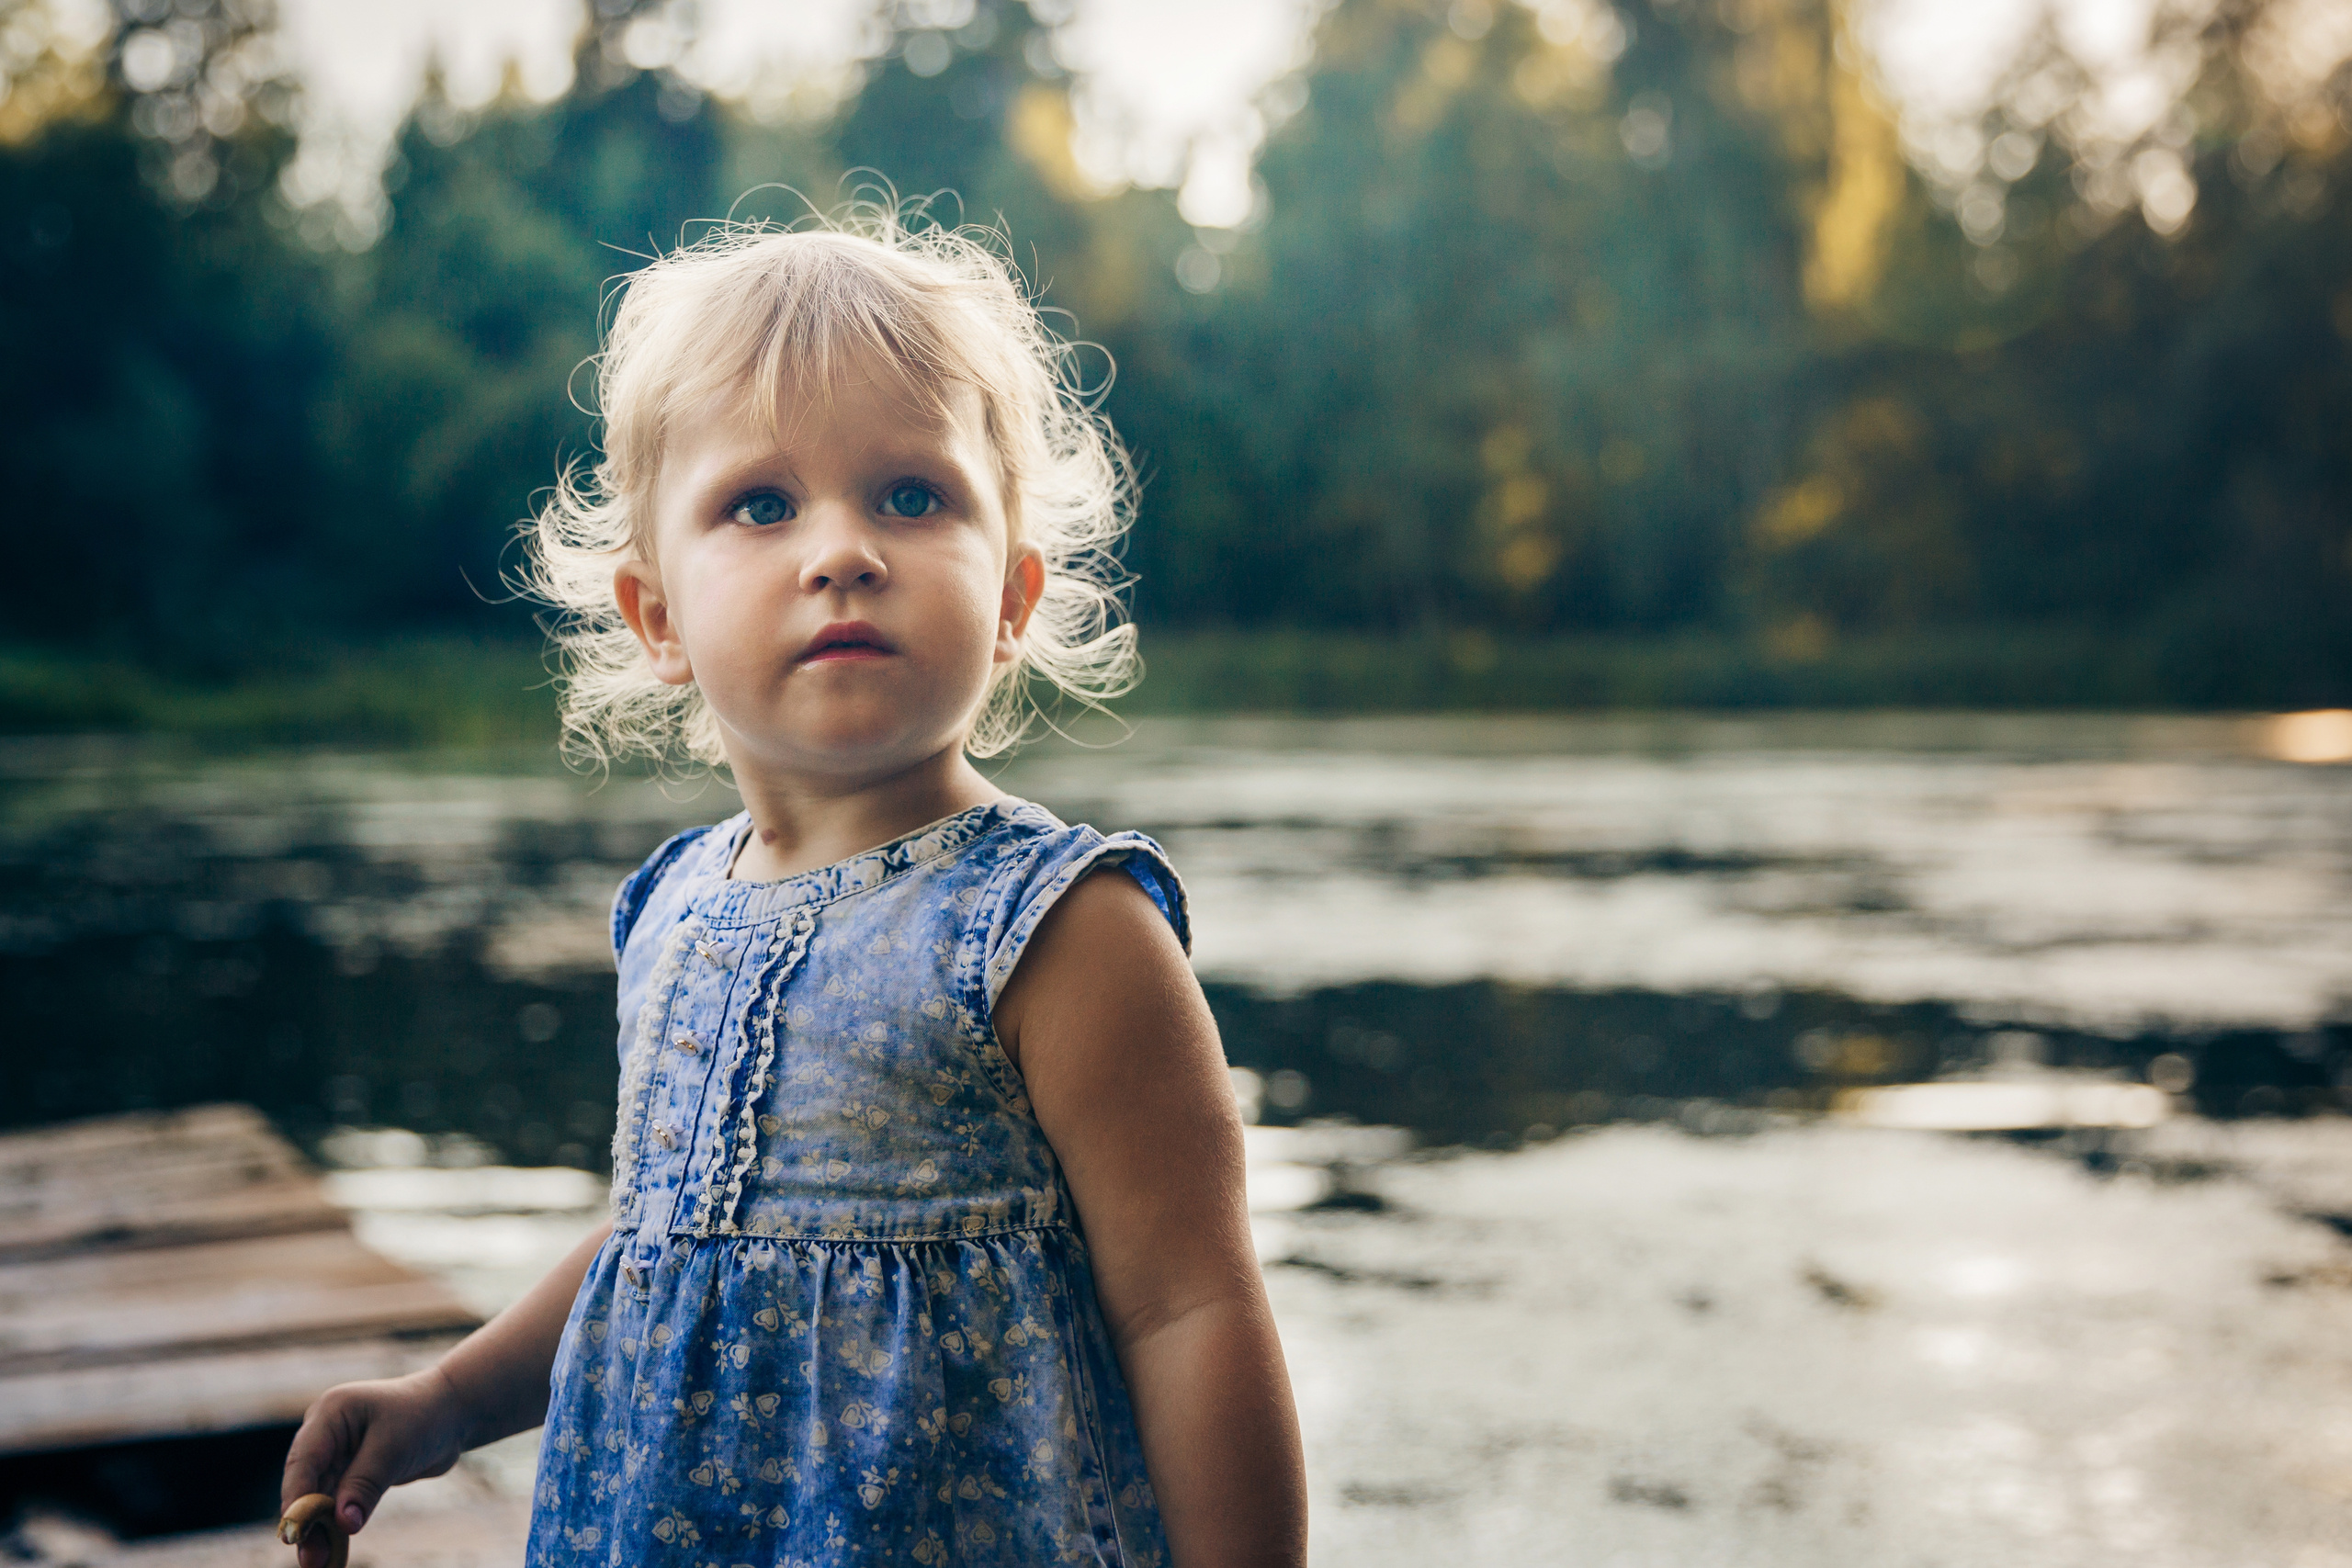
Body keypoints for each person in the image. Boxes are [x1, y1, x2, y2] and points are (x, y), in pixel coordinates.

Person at [280, 207, 1307, 1567]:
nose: (843, 551)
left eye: (912, 496)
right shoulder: (669, 911)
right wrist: (450, 1402)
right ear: (658, 618)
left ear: (1011, 597)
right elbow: (665, 1245)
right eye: (762, 506)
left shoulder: (1061, 931)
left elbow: (1190, 1310)